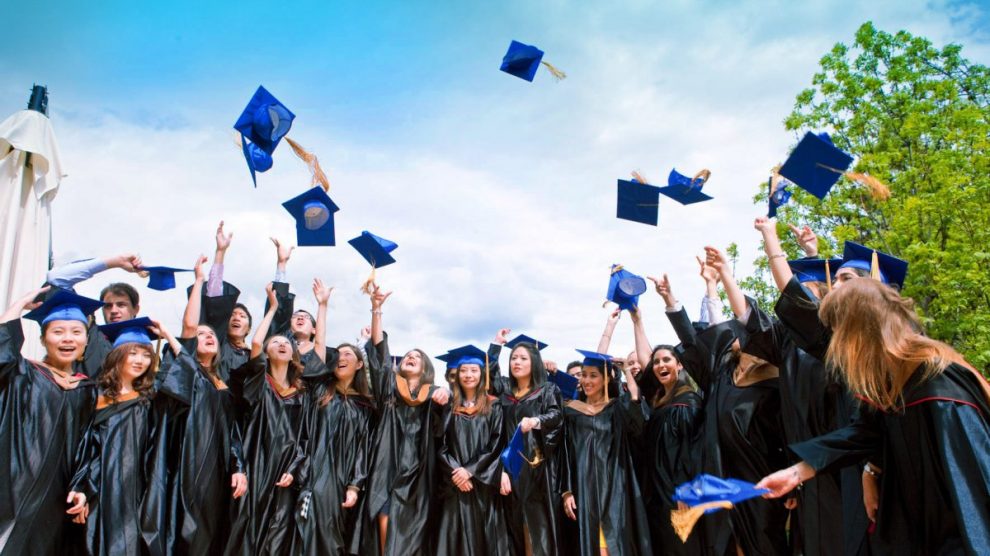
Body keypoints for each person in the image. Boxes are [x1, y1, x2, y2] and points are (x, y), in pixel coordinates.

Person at [757, 278, 990, 555]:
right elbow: (864, 434)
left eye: (837, 331)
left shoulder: (939, 386)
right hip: (916, 525)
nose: (834, 346)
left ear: (862, 331)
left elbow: (972, 496)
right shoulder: (892, 382)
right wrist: (796, 472)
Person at [653, 267, 791, 555]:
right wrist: (671, 302)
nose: (736, 337)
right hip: (718, 476)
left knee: (763, 544)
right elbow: (693, 343)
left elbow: (790, 431)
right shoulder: (721, 373)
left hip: (758, 477)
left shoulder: (777, 380)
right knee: (725, 545)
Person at [141, 256, 246, 556]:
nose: (208, 336)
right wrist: (199, 281)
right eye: (201, 335)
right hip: (184, 461)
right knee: (182, 530)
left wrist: (239, 468)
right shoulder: (185, 371)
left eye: (212, 334)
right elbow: (189, 327)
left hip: (216, 468)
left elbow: (233, 432)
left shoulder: (223, 385)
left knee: (211, 532)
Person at [67, 318, 182, 556]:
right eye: (133, 353)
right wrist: (81, 488)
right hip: (101, 486)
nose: (140, 360)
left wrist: (167, 335)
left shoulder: (153, 398)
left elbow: (188, 378)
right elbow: (84, 447)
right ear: (117, 355)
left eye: (146, 355)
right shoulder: (91, 394)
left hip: (140, 488)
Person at [0, 286, 101, 555]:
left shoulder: (88, 390)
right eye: (57, 332)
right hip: (12, 488)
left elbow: (90, 445)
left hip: (57, 501)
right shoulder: (24, 374)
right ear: (44, 339)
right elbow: (3, 352)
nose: (67, 339)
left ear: (86, 341)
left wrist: (82, 487)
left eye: (76, 332)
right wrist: (19, 304)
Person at [363, 283, 449, 555]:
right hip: (389, 465)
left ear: (426, 369)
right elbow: (377, 355)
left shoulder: (434, 394)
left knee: (416, 532)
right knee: (385, 518)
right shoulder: (388, 386)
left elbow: (444, 430)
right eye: (408, 355)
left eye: (418, 357)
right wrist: (377, 308)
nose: (411, 357)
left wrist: (446, 397)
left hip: (421, 473)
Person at [225, 283, 310, 555]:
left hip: (286, 468)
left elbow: (305, 437)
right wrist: (273, 308)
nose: (282, 344)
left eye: (287, 343)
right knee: (247, 526)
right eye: (277, 342)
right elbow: (257, 342)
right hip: (256, 461)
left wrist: (295, 468)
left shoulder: (302, 393)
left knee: (279, 531)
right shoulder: (259, 382)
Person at [300, 282, 375, 556]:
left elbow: (363, 449)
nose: (341, 357)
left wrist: (355, 485)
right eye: (338, 354)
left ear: (359, 364)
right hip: (312, 474)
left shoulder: (364, 406)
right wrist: (322, 307)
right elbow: (319, 348)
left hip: (343, 481)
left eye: (348, 354)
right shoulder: (320, 391)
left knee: (335, 539)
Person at [560, 351, 651, 555]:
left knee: (614, 543)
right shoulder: (571, 411)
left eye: (593, 375)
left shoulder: (616, 408)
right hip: (584, 487)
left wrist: (627, 370)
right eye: (584, 374)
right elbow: (565, 453)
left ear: (606, 378)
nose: (586, 380)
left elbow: (638, 412)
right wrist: (566, 491)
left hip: (615, 485)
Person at [488, 330, 564, 556]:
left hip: (538, 469)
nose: (516, 362)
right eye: (513, 358)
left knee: (538, 528)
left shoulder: (548, 389)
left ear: (535, 362)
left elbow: (556, 415)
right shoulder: (504, 390)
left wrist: (536, 420)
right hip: (511, 468)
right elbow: (490, 376)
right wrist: (496, 346)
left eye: (523, 358)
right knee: (514, 526)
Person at [436, 346, 508, 556]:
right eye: (464, 370)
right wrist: (457, 472)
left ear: (482, 374)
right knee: (455, 539)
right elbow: (440, 444)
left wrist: (470, 471)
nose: (469, 375)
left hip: (483, 483)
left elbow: (496, 444)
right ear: (457, 374)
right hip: (455, 484)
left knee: (485, 539)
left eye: (474, 370)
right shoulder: (448, 406)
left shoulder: (494, 406)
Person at [45, 253, 145, 377]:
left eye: (121, 305)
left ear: (136, 309)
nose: (114, 310)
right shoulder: (91, 337)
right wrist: (116, 261)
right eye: (108, 306)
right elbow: (56, 278)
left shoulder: (146, 351)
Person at [183, 221, 253, 380]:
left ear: (249, 328)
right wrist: (220, 253)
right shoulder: (217, 345)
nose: (236, 317)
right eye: (232, 314)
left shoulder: (255, 356)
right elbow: (215, 301)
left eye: (242, 316)